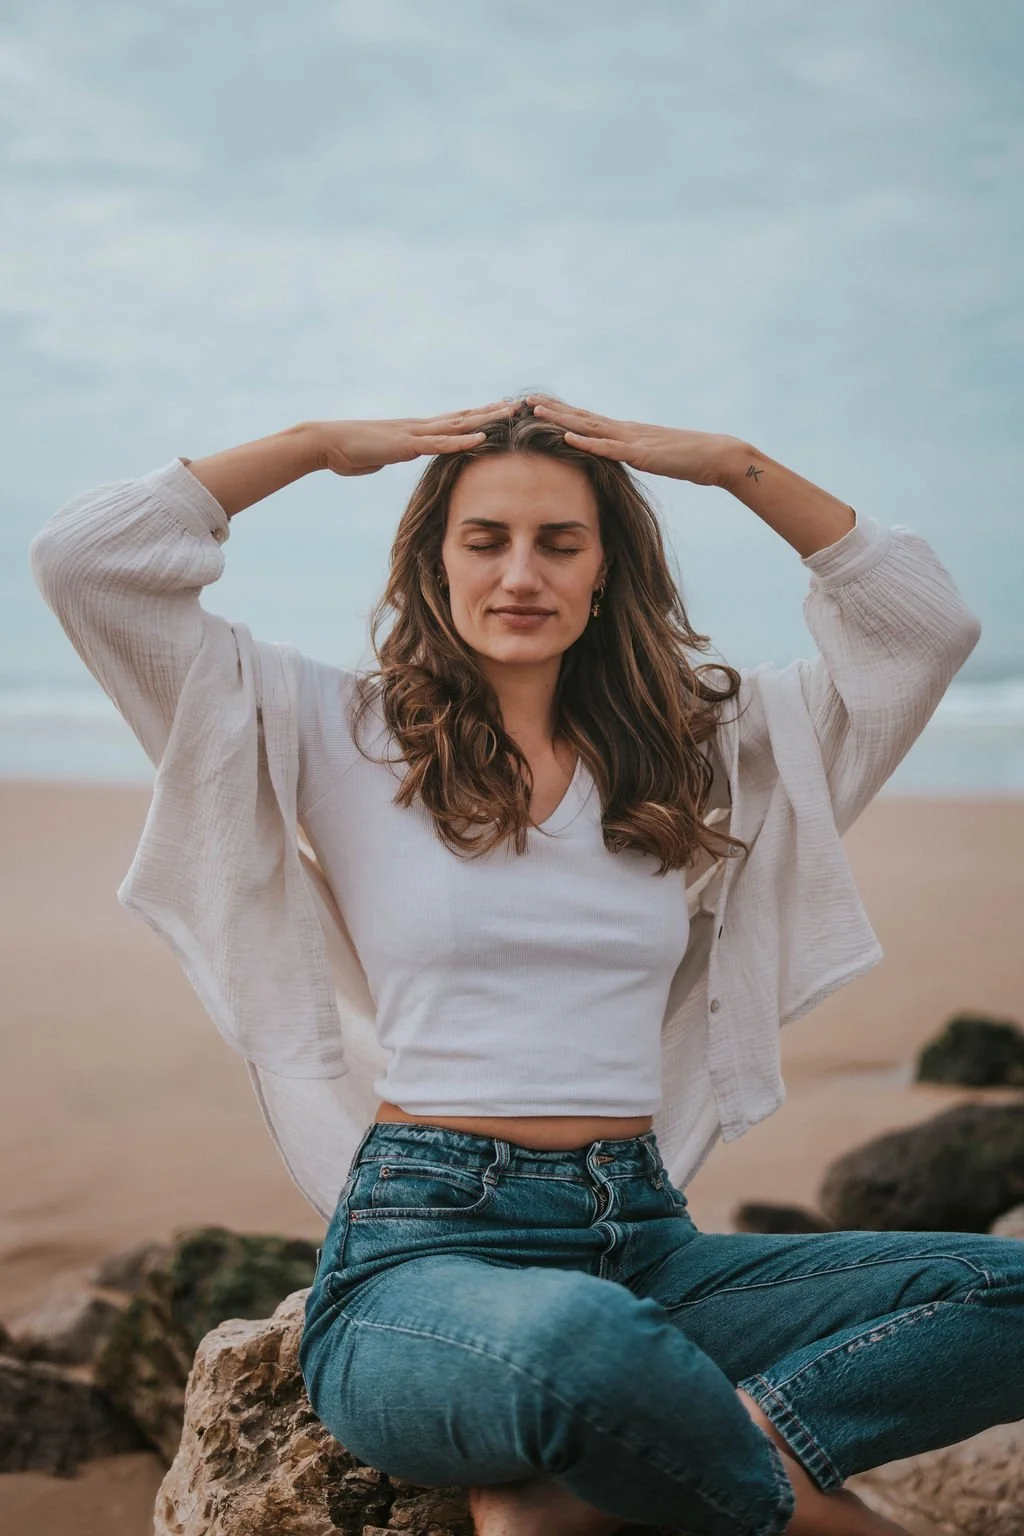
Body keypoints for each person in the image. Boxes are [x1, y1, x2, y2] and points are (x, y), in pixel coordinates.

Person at [29, 395, 1023, 1536]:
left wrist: (732, 465)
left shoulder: (696, 750)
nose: (520, 573)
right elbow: (88, 563)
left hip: (642, 1237)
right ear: (432, 563)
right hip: (419, 1262)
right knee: (580, 1343)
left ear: (606, 570)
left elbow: (923, 629)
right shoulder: (328, 728)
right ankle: (792, 1511)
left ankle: (638, 1454)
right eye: (484, 538)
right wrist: (313, 448)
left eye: (560, 541)